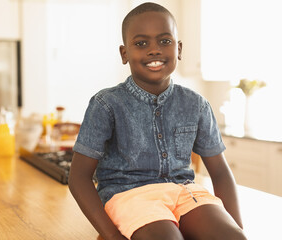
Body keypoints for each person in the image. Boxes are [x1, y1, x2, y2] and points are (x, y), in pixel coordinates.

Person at [68, 2, 247, 240]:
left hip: (185, 194)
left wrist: (238, 230)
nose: (154, 50)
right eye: (141, 43)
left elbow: (221, 173)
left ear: (179, 48)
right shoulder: (106, 104)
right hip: (128, 195)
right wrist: (111, 235)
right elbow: (78, 178)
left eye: (164, 41)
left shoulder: (196, 104)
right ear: (125, 54)